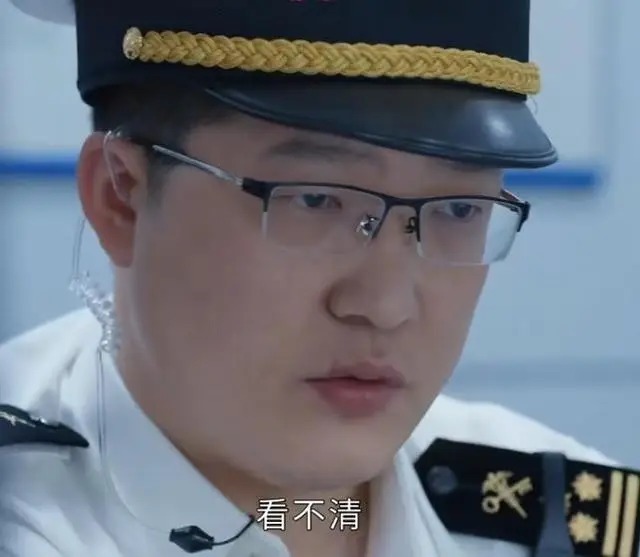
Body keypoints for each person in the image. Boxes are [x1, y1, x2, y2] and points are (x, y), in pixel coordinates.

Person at [1, 0, 638, 556]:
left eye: (459, 210)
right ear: (121, 196)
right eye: (315, 200)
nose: (385, 305)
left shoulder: (550, 513)